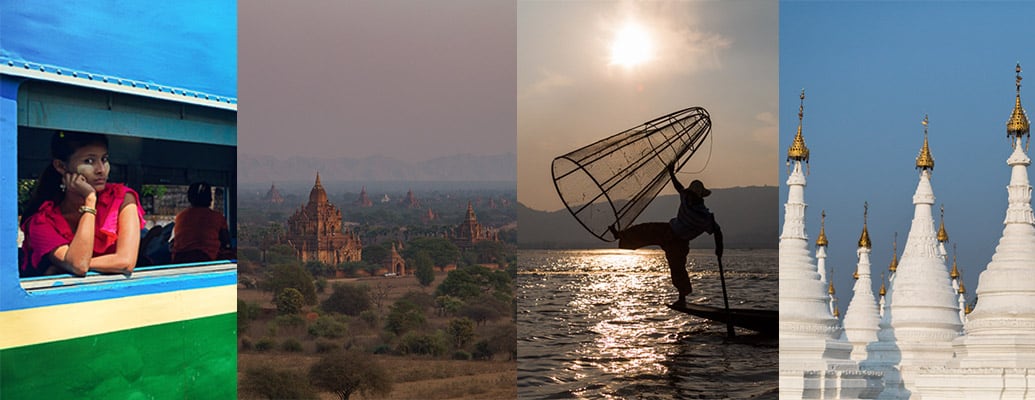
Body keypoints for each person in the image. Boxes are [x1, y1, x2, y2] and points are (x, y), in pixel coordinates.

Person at [20, 131, 145, 277]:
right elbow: (79, 266)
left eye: (104, 159)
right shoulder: (41, 222)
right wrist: (90, 200)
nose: (101, 170)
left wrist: (67, 266)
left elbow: (126, 261)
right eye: (89, 161)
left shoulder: (122, 199)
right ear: (61, 166)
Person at [610, 163, 723, 306]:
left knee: (677, 269)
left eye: (693, 195)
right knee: (644, 229)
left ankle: (682, 298)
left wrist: (719, 249)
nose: (690, 196)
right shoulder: (686, 197)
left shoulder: (704, 215)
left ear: (698, 197)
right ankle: (620, 235)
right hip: (668, 230)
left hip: (679, 242)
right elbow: (679, 187)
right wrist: (671, 173)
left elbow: (717, 231)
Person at [171, 181, 231, 263]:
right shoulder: (217, 217)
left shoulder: (181, 216)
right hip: (205, 258)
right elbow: (226, 242)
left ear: (189, 198)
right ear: (210, 199)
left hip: (178, 259)